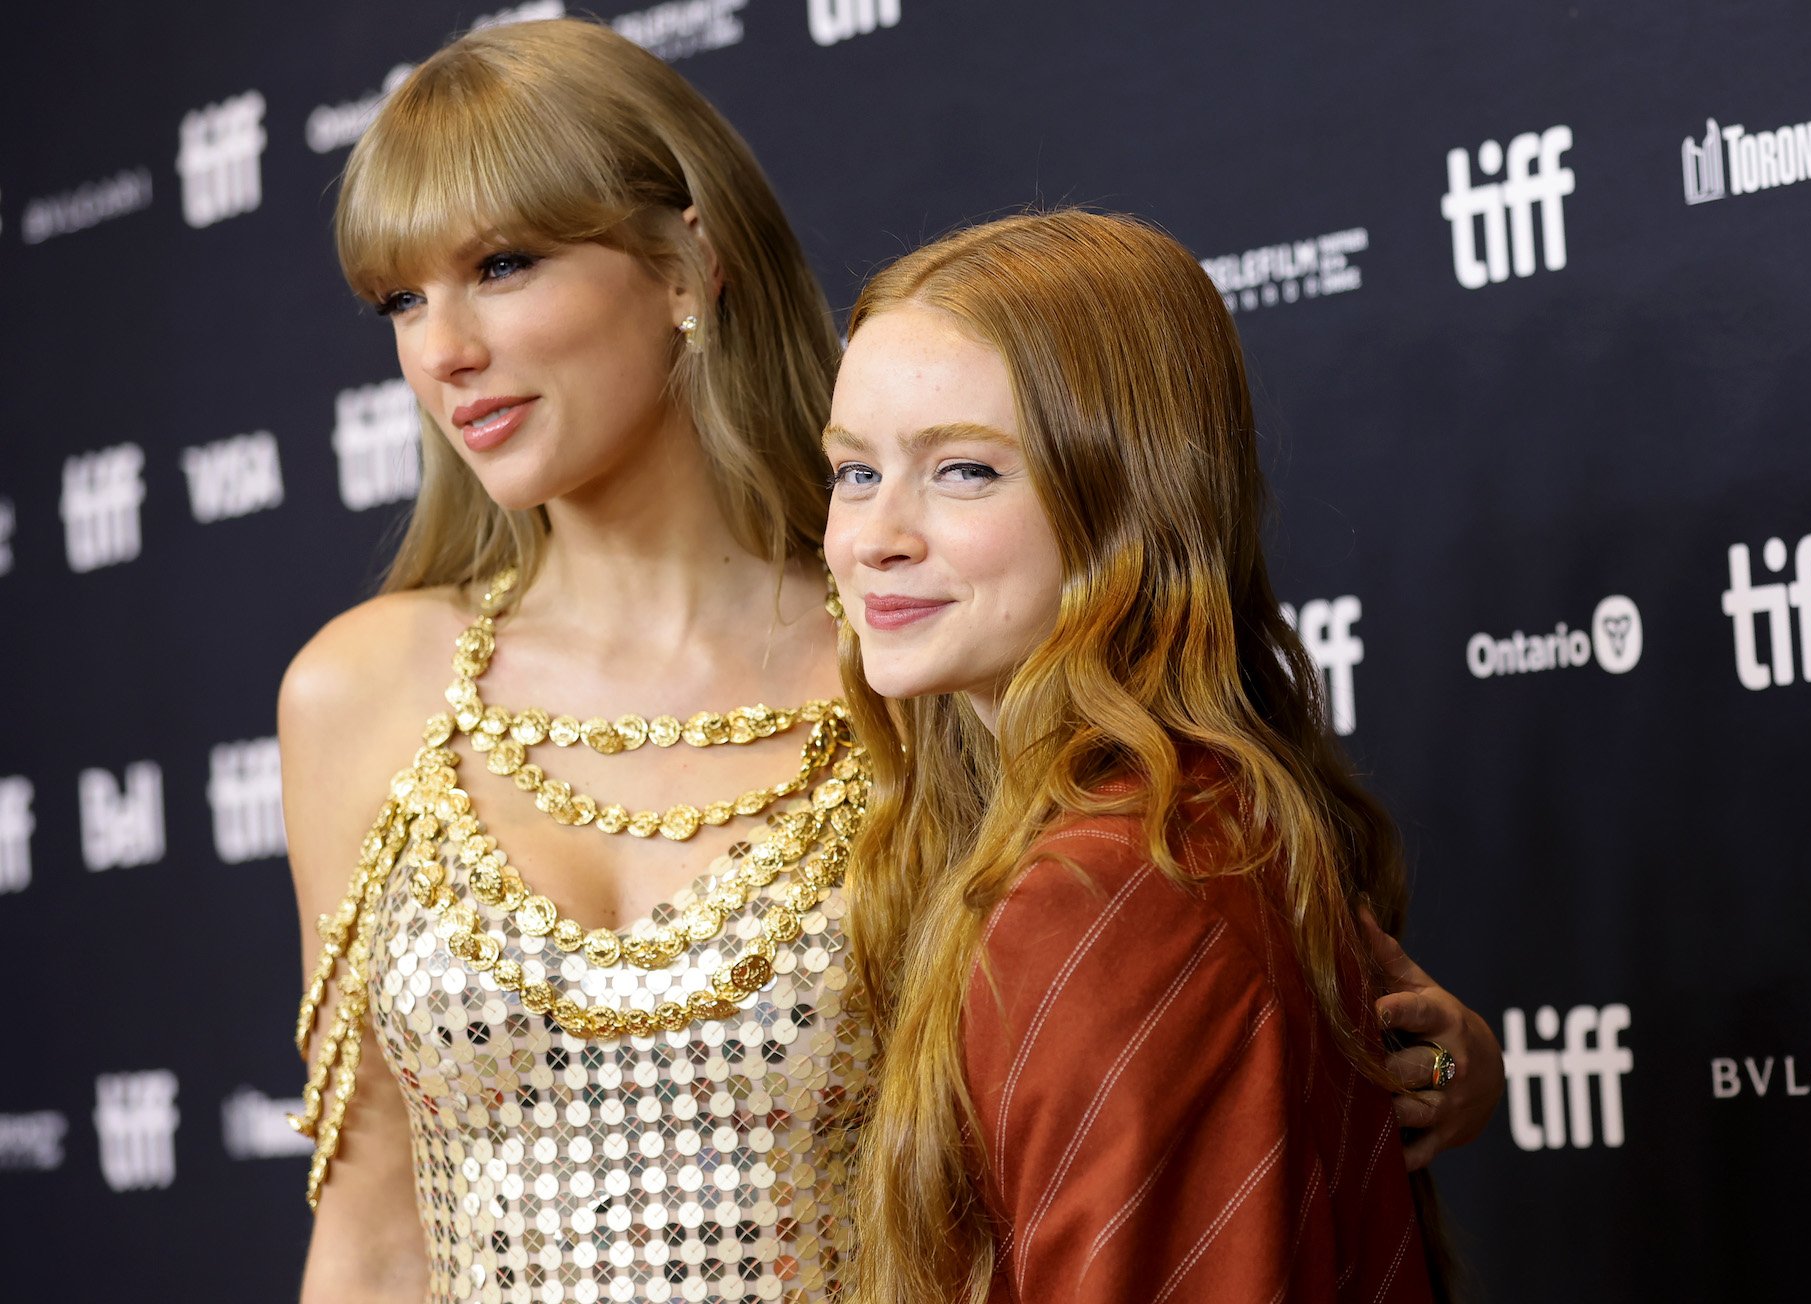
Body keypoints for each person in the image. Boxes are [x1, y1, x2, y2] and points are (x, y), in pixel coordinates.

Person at [283, 18, 1496, 1304]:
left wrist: (1423, 1061)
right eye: (400, 298)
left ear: (686, 261)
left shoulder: (925, 645)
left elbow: (1203, 991)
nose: (441, 349)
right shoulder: (359, 692)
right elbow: (371, 1234)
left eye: (504, 263)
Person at [825, 209, 1450, 1302]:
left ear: (1126, 496)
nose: (875, 534)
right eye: (854, 472)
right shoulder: (1159, 830)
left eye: (964, 471)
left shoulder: (1114, 888)